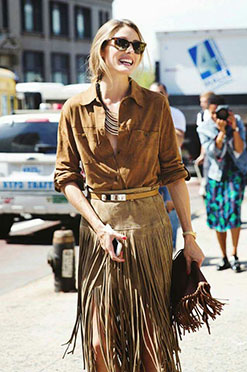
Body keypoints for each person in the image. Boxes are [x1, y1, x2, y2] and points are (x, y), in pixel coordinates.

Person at [54, 19, 204, 372]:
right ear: (101, 47)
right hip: (100, 230)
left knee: (151, 339)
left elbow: (174, 174)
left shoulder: (156, 104)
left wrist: (190, 236)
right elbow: (66, 178)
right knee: (98, 340)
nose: (130, 52)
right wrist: (100, 228)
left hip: (149, 226)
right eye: (122, 43)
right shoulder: (75, 108)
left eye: (137, 46)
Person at [197, 94, 247, 273]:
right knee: (219, 216)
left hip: (235, 173)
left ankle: (234, 254)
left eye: (219, 112)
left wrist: (233, 129)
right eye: (213, 113)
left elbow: (240, 149)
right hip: (215, 175)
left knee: (233, 213)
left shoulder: (235, 121)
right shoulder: (204, 127)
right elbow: (213, 153)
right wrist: (220, 132)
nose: (216, 117)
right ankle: (224, 256)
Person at [150, 82, 186, 250]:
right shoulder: (144, 113)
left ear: (166, 94)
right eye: (153, 93)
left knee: (171, 219)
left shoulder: (175, 114)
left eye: (160, 93)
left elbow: (178, 140)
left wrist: (162, 120)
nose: (157, 97)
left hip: (170, 173)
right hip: (150, 175)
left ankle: (170, 256)